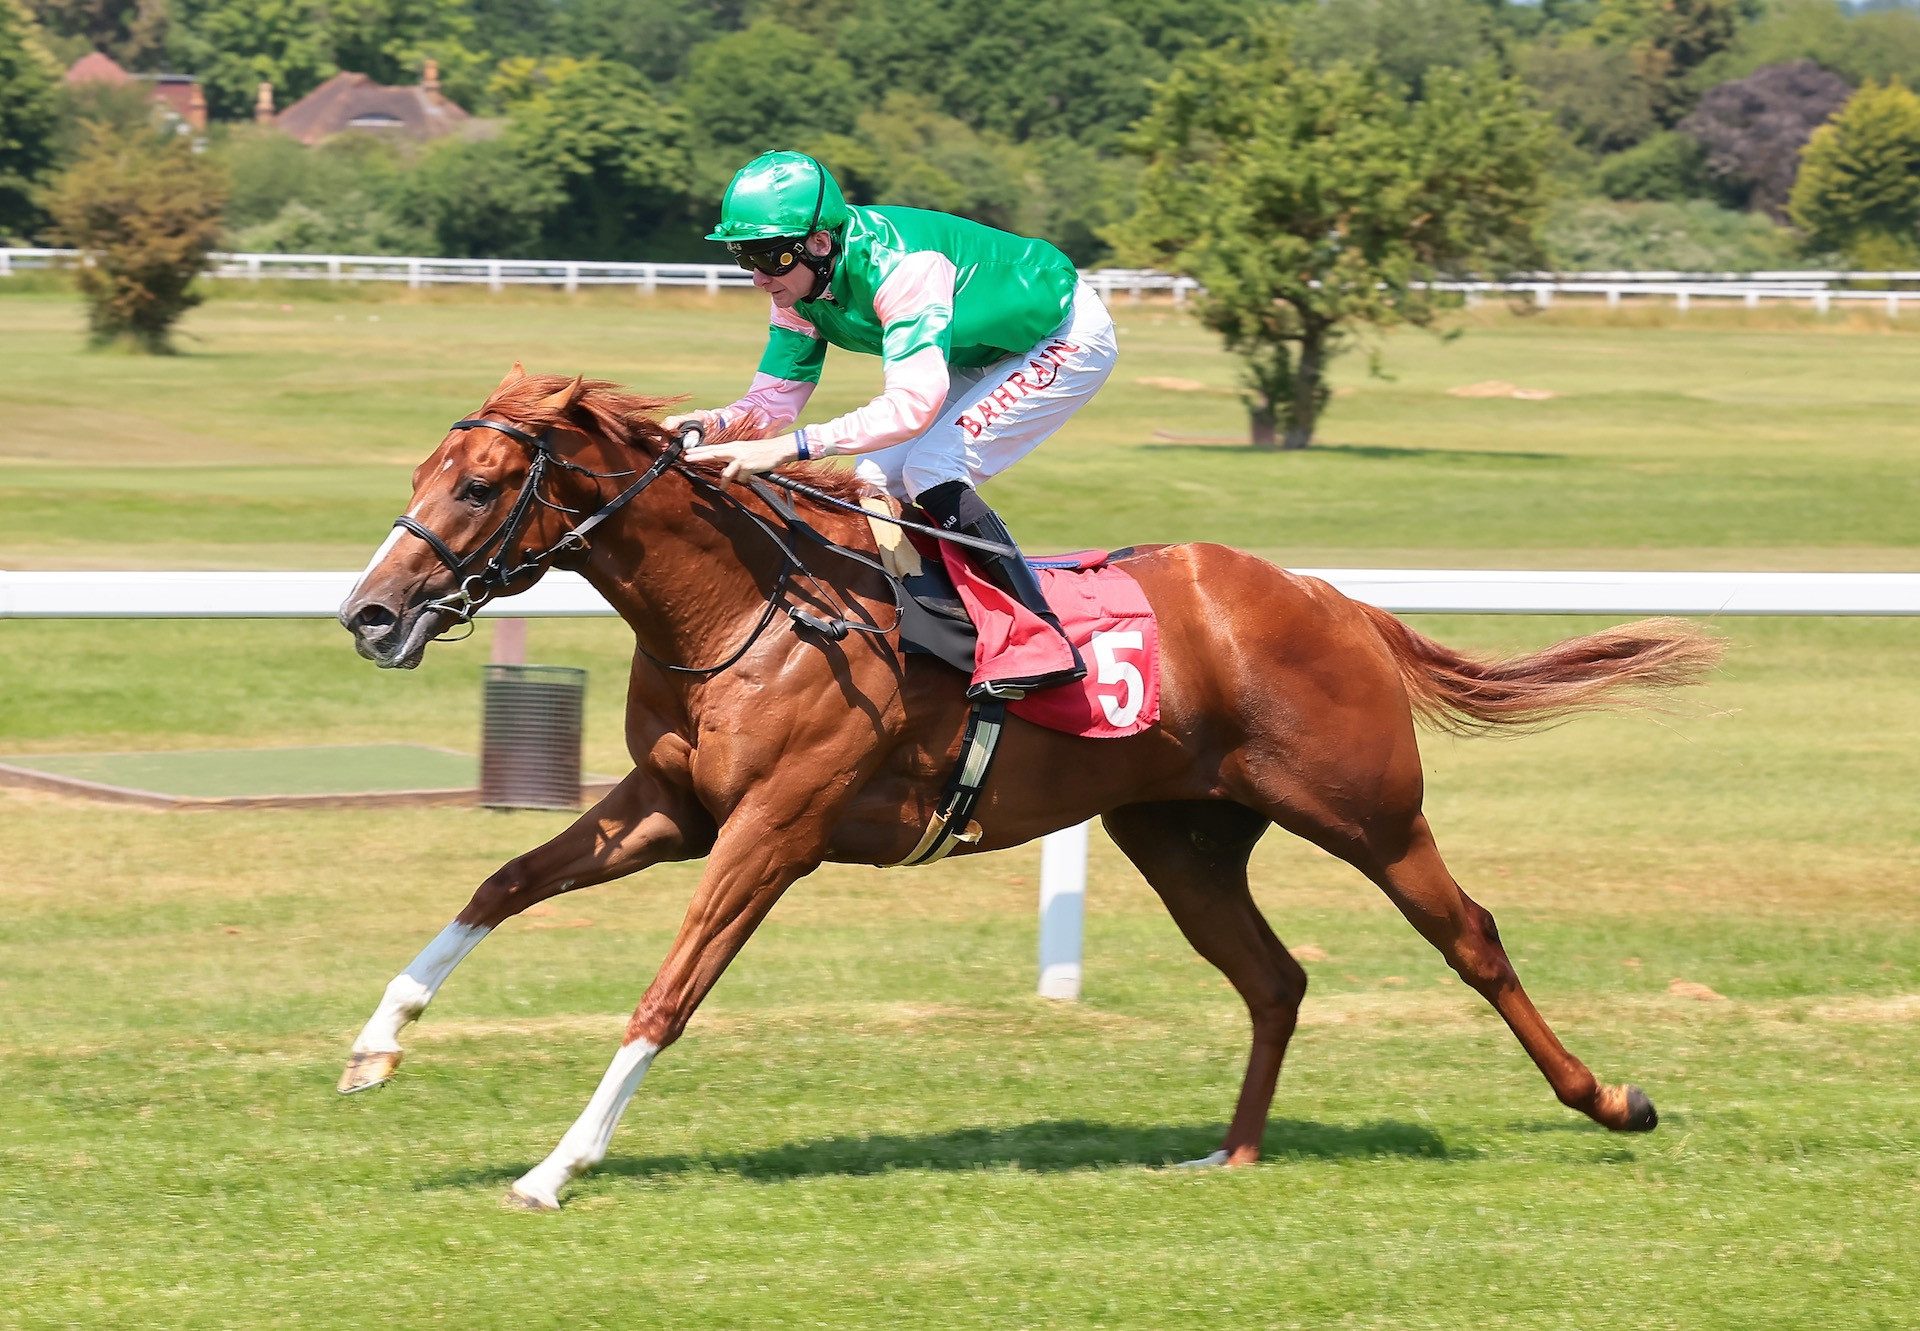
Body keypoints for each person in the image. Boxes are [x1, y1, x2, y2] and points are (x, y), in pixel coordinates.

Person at [674, 150, 1119, 695]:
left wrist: (791, 447)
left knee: (933, 467)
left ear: (820, 243)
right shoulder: (798, 285)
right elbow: (772, 403)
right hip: (977, 348)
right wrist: (713, 423)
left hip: (1062, 335)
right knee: (873, 480)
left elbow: (911, 406)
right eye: (744, 257)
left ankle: (1039, 639)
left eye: (769, 257)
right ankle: (943, 625)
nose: (758, 278)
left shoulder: (903, 267)